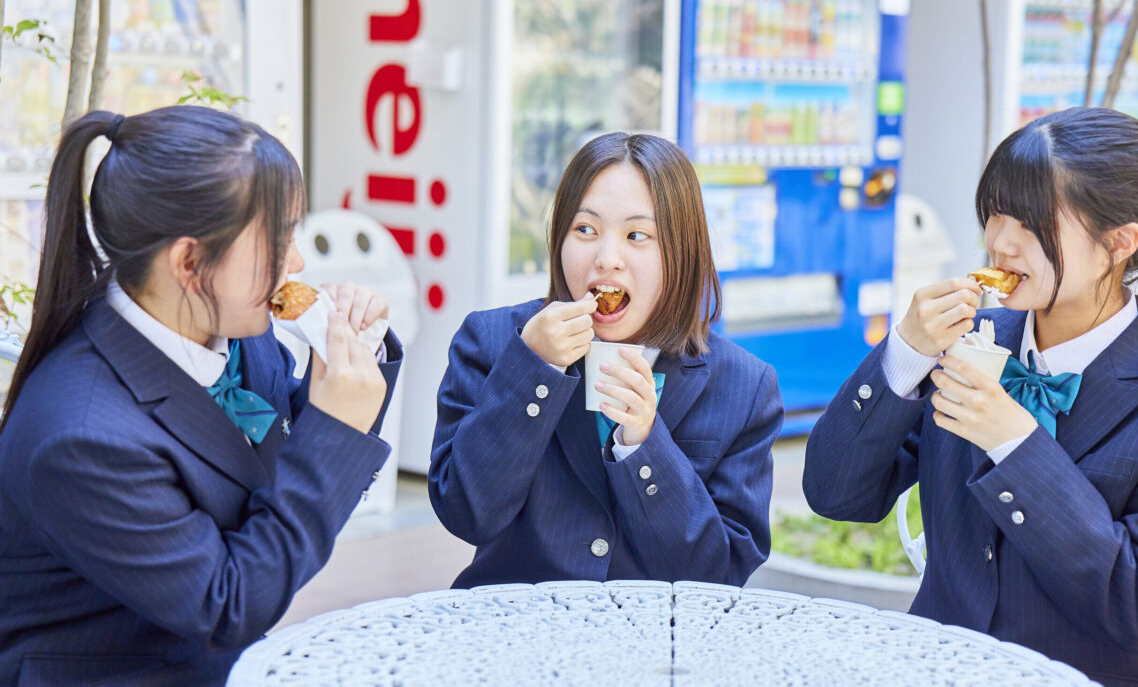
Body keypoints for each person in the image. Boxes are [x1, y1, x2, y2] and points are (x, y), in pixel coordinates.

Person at [0, 106, 402, 686]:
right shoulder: (82, 438)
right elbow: (226, 605)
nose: (297, 262)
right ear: (189, 262)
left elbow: (274, 440)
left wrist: (354, 355)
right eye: (278, 239)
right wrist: (336, 432)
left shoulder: (231, 327)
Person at [803, 106, 1138, 686]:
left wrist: (1015, 442)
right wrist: (906, 352)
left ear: (1119, 242)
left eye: (1033, 223)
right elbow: (835, 493)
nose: (999, 242)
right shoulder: (969, 343)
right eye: (995, 212)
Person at [429, 132, 782, 588]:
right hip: (515, 624)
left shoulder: (746, 387)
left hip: (654, 632)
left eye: (637, 235)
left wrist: (644, 445)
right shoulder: (493, 341)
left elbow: (720, 573)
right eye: (585, 230)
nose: (607, 259)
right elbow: (464, 512)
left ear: (683, 251)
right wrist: (534, 370)